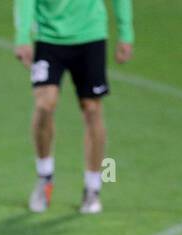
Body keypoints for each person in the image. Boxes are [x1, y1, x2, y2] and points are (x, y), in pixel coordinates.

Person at [13, 0, 134, 214]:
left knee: (92, 109)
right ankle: (45, 177)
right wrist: (23, 36)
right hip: (47, 37)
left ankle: (92, 187)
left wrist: (126, 32)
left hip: (91, 35)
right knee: (44, 105)